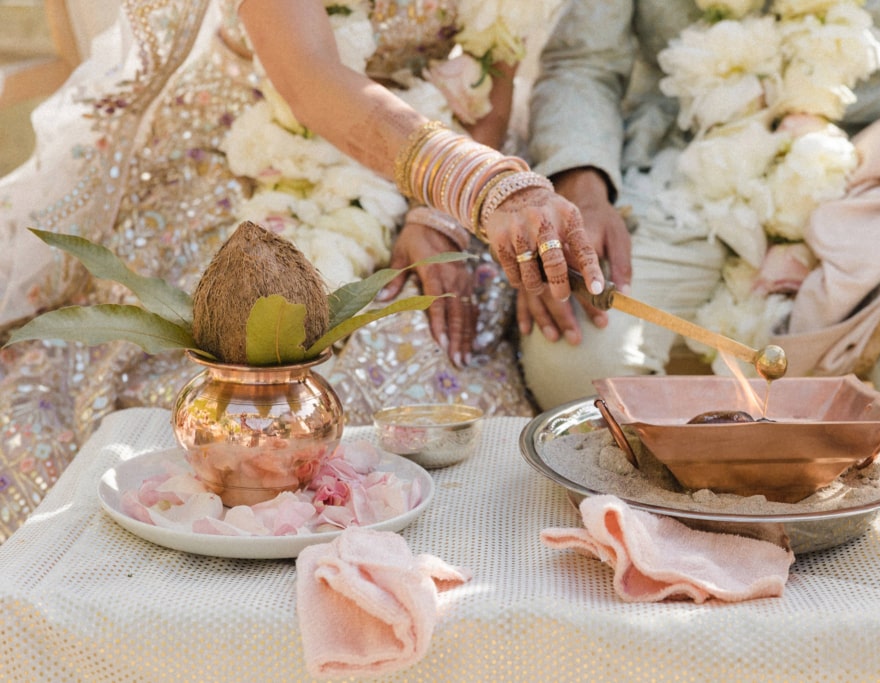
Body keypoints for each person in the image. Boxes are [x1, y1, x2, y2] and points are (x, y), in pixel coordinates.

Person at [0, 0, 603, 542]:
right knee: (240, 383)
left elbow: (496, 50)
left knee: (438, 354)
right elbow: (310, 77)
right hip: (258, 156)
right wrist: (483, 185)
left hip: (438, 163)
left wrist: (436, 216)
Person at [520, 0, 880, 489]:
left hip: (869, 167)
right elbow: (582, 63)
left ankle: (838, 533)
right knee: (572, 365)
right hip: (678, 165)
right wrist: (582, 185)